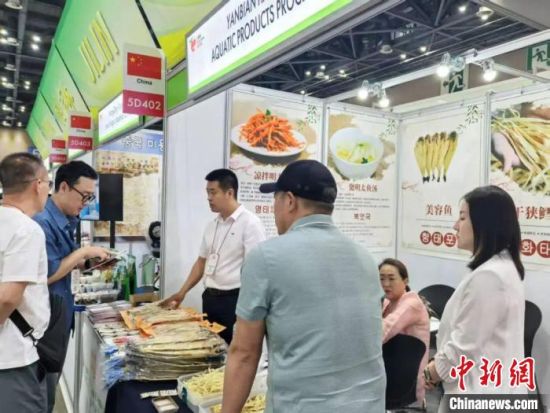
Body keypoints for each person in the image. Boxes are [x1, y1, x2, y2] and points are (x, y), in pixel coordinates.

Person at [221, 160, 386, 413]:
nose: (273, 209)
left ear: (289, 201)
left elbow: (244, 354)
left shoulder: (266, 258)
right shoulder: (366, 258)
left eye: (275, 200)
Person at [424, 186, 526, 401]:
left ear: (484, 223)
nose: (455, 226)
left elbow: (463, 348)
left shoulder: (489, 277)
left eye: (462, 218)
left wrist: (431, 372)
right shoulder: (501, 267)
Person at [33, 160, 110, 412]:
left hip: (58, 317)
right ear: (64, 187)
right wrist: (83, 252)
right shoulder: (43, 222)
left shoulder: (66, 219)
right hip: (45, 324)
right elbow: (48, 273)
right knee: (41, 396)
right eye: (84, 196)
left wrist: (88, 263)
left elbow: (64, 261)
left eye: (90, 198)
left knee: (48, 390)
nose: (85, 203)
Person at [161, 169, 265, 343]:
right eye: (207, 193)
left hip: (234, 301)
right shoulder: (212, 225)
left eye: (213, 192)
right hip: (210, 298)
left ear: (229, 193)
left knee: (233, 349)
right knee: (212, 347)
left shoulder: (250, 224)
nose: (209, 198)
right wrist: (182, 292)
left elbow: (256, 270)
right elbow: (201, 262)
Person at [0, 153, 51, 412]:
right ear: (37, 185)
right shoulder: (26, 230)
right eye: (49, 183)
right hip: (12, 358)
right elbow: (7, 298)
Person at [379, 258, 430, 405]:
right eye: (381, 279)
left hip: (407, 381)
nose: (385, 284)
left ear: (405, 281)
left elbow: (382, 333)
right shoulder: (388, 302)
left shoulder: (410, 304)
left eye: (391, 278)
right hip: (393, 366)